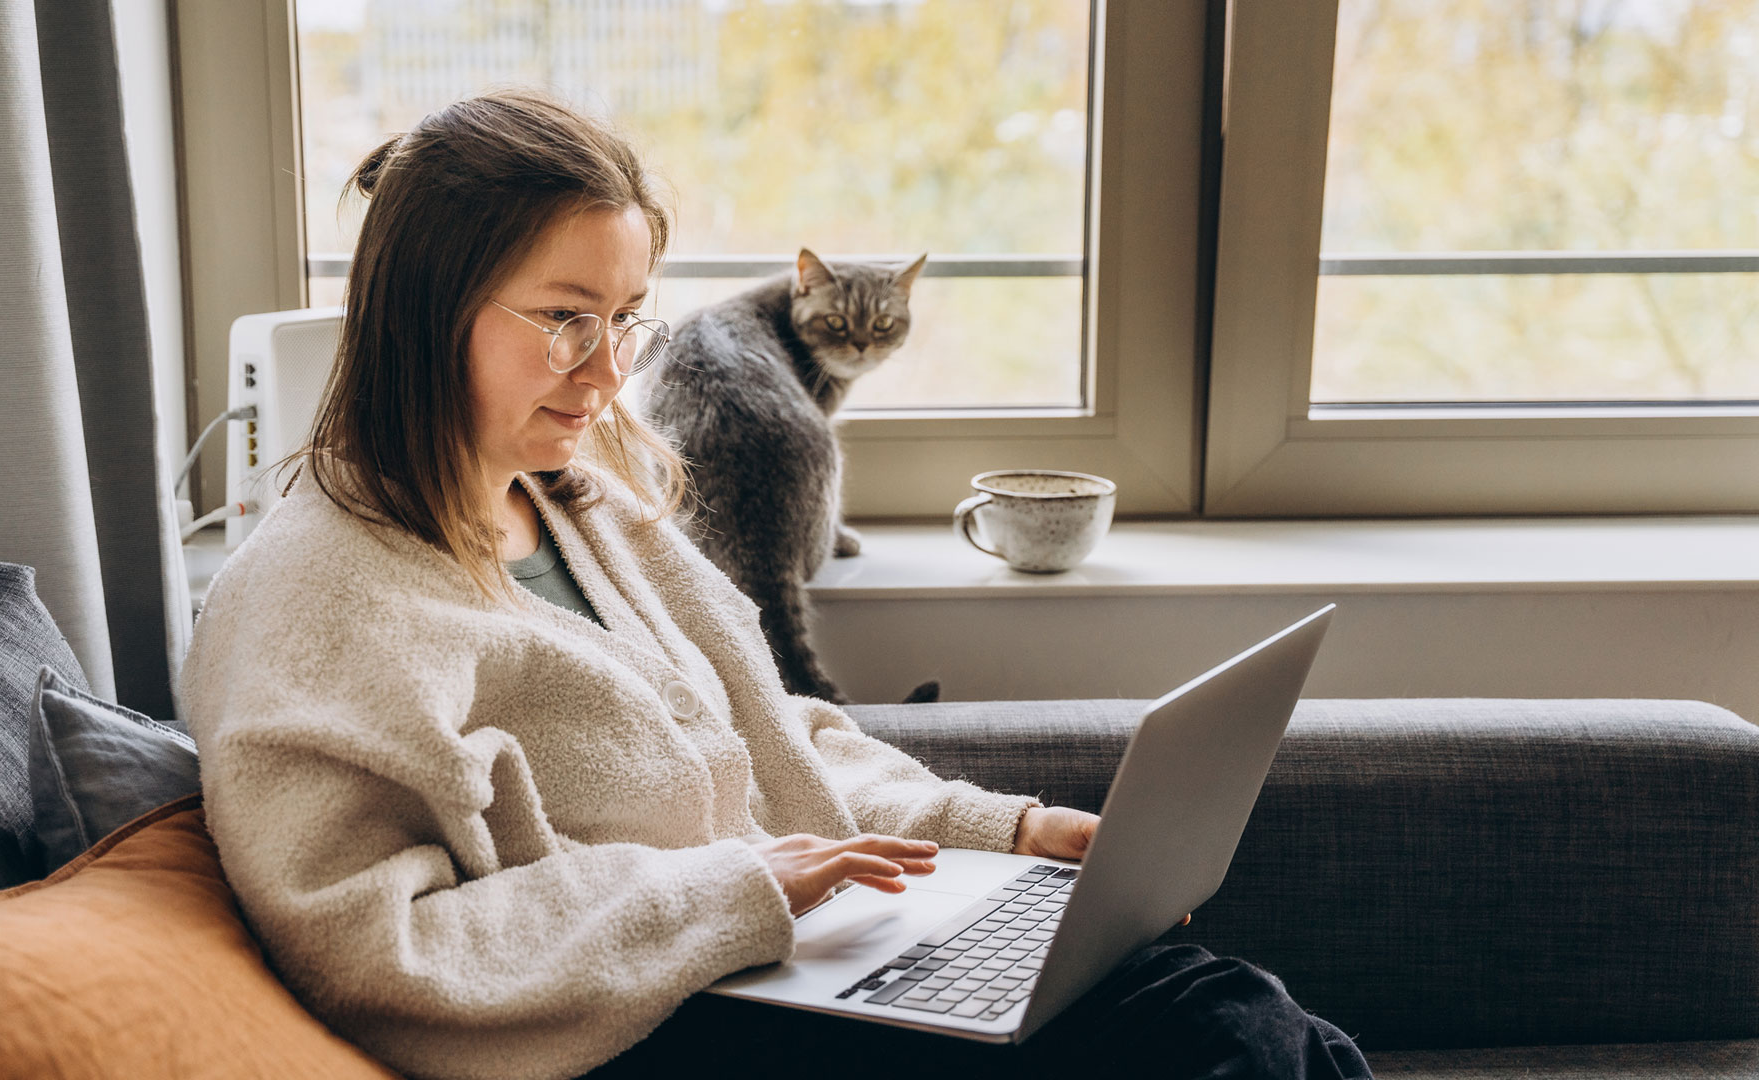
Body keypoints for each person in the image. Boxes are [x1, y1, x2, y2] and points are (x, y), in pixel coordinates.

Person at [181, 88, 1372, 1080]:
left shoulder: (580, 497)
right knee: (1218, 1041)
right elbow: (374, 950)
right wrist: (731, 888)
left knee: (1223, 1008)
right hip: (652, 1027)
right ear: (423, 312)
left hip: (788, 962)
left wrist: (995, 831)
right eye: (564, 320)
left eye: (627, 319)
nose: (606, 372)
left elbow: (766, 734)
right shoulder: (319, 600)